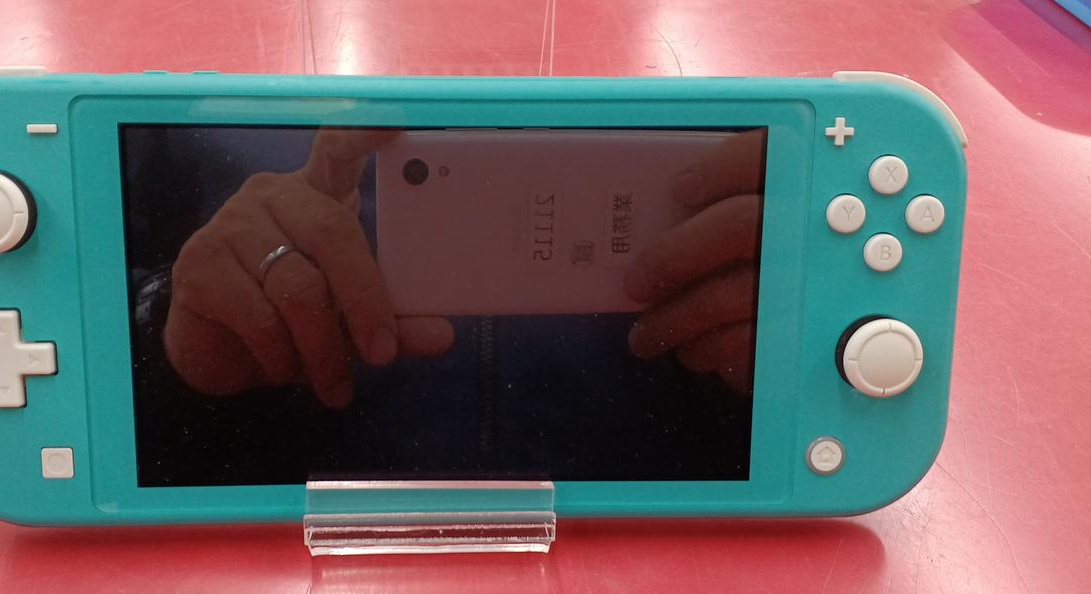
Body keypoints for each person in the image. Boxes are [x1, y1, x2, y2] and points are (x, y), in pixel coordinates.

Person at [124, 125, 765, 485]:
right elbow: (83, 320)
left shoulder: (746, 64)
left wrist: (786, 375)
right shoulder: (189, 94)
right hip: (281, 565)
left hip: (672, 555)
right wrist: (163, 339)